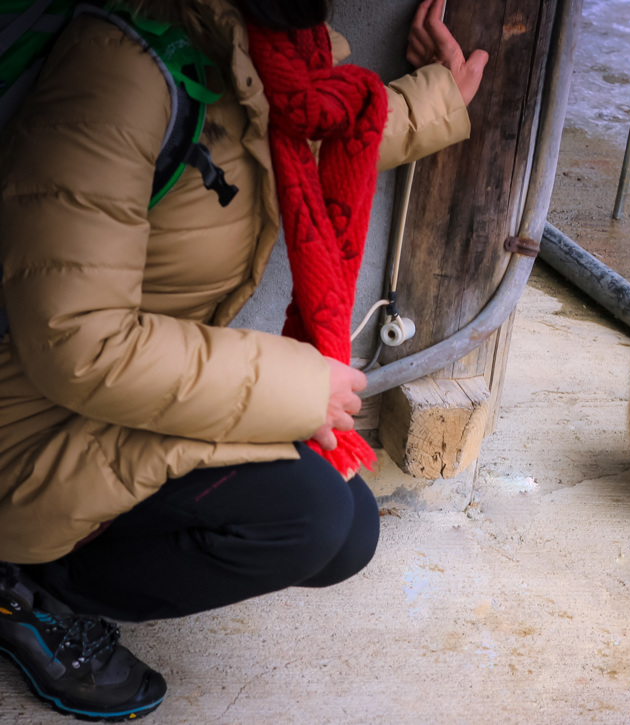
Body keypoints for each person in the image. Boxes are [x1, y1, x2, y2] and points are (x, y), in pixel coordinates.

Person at [0, 0, 487, 719]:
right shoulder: (119, 68)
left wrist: (437, 96)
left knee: (347, 525)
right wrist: (297, 384)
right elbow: (79, 341)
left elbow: (287, 139)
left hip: (117, 401)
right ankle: (18, 585)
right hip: (28, 432)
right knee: (313, 515)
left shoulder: (258, 55)